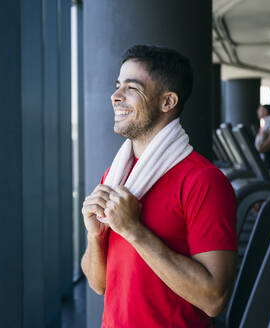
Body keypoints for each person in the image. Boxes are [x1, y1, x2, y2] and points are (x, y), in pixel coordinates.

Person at [81, 45, 237, 328]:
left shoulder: (204, 181)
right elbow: (98, 284)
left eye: (132, 88)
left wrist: (132, 229)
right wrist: (94, 236)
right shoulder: (116, 175)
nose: (115, 96)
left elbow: (214, 299)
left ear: (167, 102)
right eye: (118, 86)